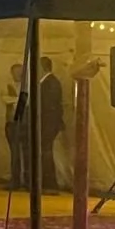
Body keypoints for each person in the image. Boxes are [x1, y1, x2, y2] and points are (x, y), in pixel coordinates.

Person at [38, 56, 65, 192]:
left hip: (48, 123)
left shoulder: (51, 83)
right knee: (45, 152)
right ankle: (46, 183)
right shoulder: (47, 82)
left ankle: (49, 184)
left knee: (46, 153)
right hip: (48, 123)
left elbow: (49, 106)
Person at [6, 62, 26, 189]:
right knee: (14, 153)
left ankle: (25, 180)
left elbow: (22, 105)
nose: (16, 75)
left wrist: (15, 100)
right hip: (11, 123)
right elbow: (5, 99)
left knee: (23, 153)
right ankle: (15, 179)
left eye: (19, 72)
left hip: (20, 123)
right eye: (14, 72)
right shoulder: (10, 86)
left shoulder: (25, 87)